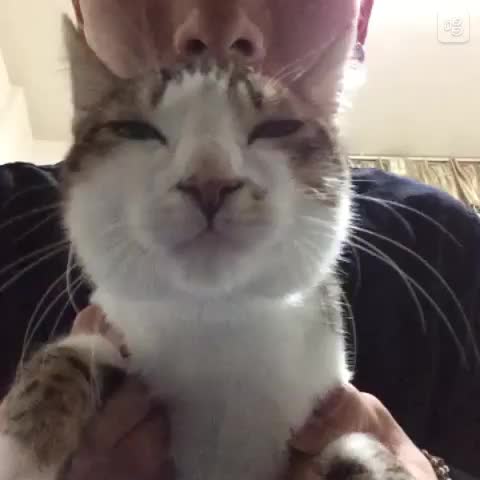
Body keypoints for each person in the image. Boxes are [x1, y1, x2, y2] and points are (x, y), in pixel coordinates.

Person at [0, 1, 479, 479]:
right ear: (81, 13)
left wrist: (432, 471)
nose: (215, 27)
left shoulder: (447, 252)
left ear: (362, 17)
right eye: (139, 131)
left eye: (276, 127)